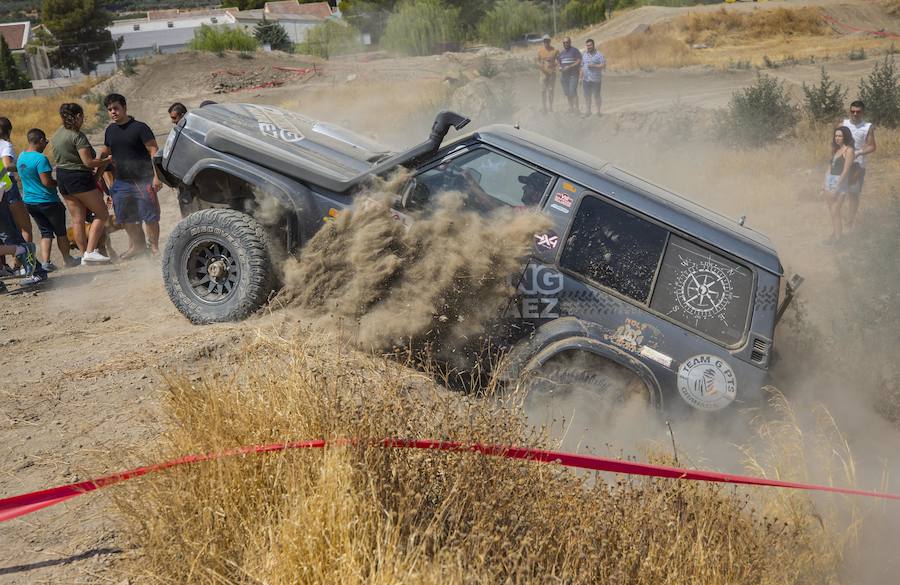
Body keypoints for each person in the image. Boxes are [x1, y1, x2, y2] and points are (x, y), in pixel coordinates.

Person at [100, 93, 161, 257]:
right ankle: (138, 246)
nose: (113, 112)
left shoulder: (140, 127)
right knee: (124, 218)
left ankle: (154, 248)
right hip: (121, 182)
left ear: (124, 107)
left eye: (116, 108)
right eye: (110, 109)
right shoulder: (110, 130)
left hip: (143, 180)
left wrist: (157, 176)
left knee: (150, 216)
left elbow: (154, 151)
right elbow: (106, 154)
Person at [51, 102, 112, 264]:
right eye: (82, 117)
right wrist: (106, 160)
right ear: (77, 116)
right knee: (102, 214)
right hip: (78, 178)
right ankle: (90, 251)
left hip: (62, 178)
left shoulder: (57, 134)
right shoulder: (77, 136)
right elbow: (88, 162)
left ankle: (85, 254)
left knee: (77, 219)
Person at [18, 128, 77, 271]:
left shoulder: (21, 157)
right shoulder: (41, 159)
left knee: (45, 232)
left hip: (30, 202)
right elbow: (46, 182)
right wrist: (60, 182)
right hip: (48, 201)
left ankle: (46, 262)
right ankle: (67, 259)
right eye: (45, 141)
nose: (46, 144)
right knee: (61, 232)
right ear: (39, 141)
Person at [841, 100, 876, 230]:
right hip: (842, 164)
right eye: (852, 111)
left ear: (862, 112)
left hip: (857, 166)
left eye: (858, 112)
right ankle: (838, 217)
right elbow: (835, 142)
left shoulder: (867, 127)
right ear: (849, 111)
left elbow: (872, 147)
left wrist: (858, 153)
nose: (855, 114)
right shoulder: (843, 124)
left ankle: (850, 221)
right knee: (838, 192)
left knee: (853, 193)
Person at [0, 117, 33, 246]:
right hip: (7, 185)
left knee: (7, 229)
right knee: (25, 227)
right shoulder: (5, 144)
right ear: (9, 130)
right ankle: (25, 262)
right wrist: (21, 166)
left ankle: (13, 262)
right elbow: (7, 165)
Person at [822, 126, 855, 244]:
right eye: (836, 136)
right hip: (829, 181)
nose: (837, 138)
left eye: (840, 136)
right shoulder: (835, 150)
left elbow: (846, 171)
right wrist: (824, 183)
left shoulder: (849, 150)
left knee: (835, 210)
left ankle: (838, 238)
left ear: (845, 136)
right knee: (832, 211)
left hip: (840, 183)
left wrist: (836, 187)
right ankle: (836, 234)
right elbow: (829, 167)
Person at [581, 39, 606, 117]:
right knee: (587, 96)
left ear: (593, 45)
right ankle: (588, 111)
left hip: (596, 79)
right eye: (587, 45)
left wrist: (594, 66)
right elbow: (581, 66)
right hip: (586, 79)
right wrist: (580, 77)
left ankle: (598, 111)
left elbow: (603, 65)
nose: (589, 47)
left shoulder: (599, 55)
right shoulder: (584, 55)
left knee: (596, 95)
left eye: (590, 45)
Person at [557, 37, 582, 114]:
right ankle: (571, 108)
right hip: (564, 76)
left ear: (570, 42)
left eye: (567, 42)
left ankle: (577, 109)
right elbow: (559, 62)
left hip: (573, 75)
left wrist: (570, 66)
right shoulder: (561, 53)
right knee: (567, 93)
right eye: (564, 43)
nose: (565, 44)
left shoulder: (574, 50)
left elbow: (579, 60)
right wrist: (559, 67)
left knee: (572, 92)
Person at [536, 36, 559, 114]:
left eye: (547, 41)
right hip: (543, 74)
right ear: (543, 42)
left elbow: (559, 60)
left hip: (552, 74)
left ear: (550, 41)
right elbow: (537, 61)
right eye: (544, 41)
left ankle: (550, 107)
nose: (546, 42)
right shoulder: (540, 51)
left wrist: (554, 64)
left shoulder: (555, 50)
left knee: (551, 90)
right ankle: (544, 107)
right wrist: (541, 66)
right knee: (543, 91)